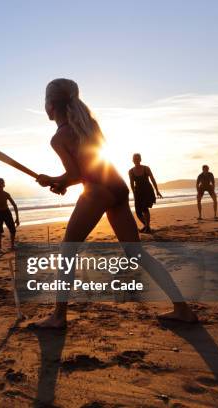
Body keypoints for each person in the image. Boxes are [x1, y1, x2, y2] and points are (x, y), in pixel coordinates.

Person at [33, 78, 197, 329]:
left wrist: (54, 179)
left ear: (50, 106)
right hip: (117, 188)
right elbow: (86, 168)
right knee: (136, 252)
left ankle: (58, 316)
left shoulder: (59, 136)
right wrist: (61, 182)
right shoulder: (90, 125)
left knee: (68, 250)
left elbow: (76, 174)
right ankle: (182, 309)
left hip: (98, 191)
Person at [128, 153, 163, 233]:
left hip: (147, 190)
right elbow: (131, 183)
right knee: (138, 212)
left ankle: (147, 228)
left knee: (145, 209)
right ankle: (147, 226)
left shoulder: (146, 168)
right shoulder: (131, 171)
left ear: (140, 159)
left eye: (138, 158)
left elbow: (152, 179)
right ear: (133, 160)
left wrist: (157, 190)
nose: (136, 160)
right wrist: (134, 193)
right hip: (138, 192)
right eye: (135, 159)